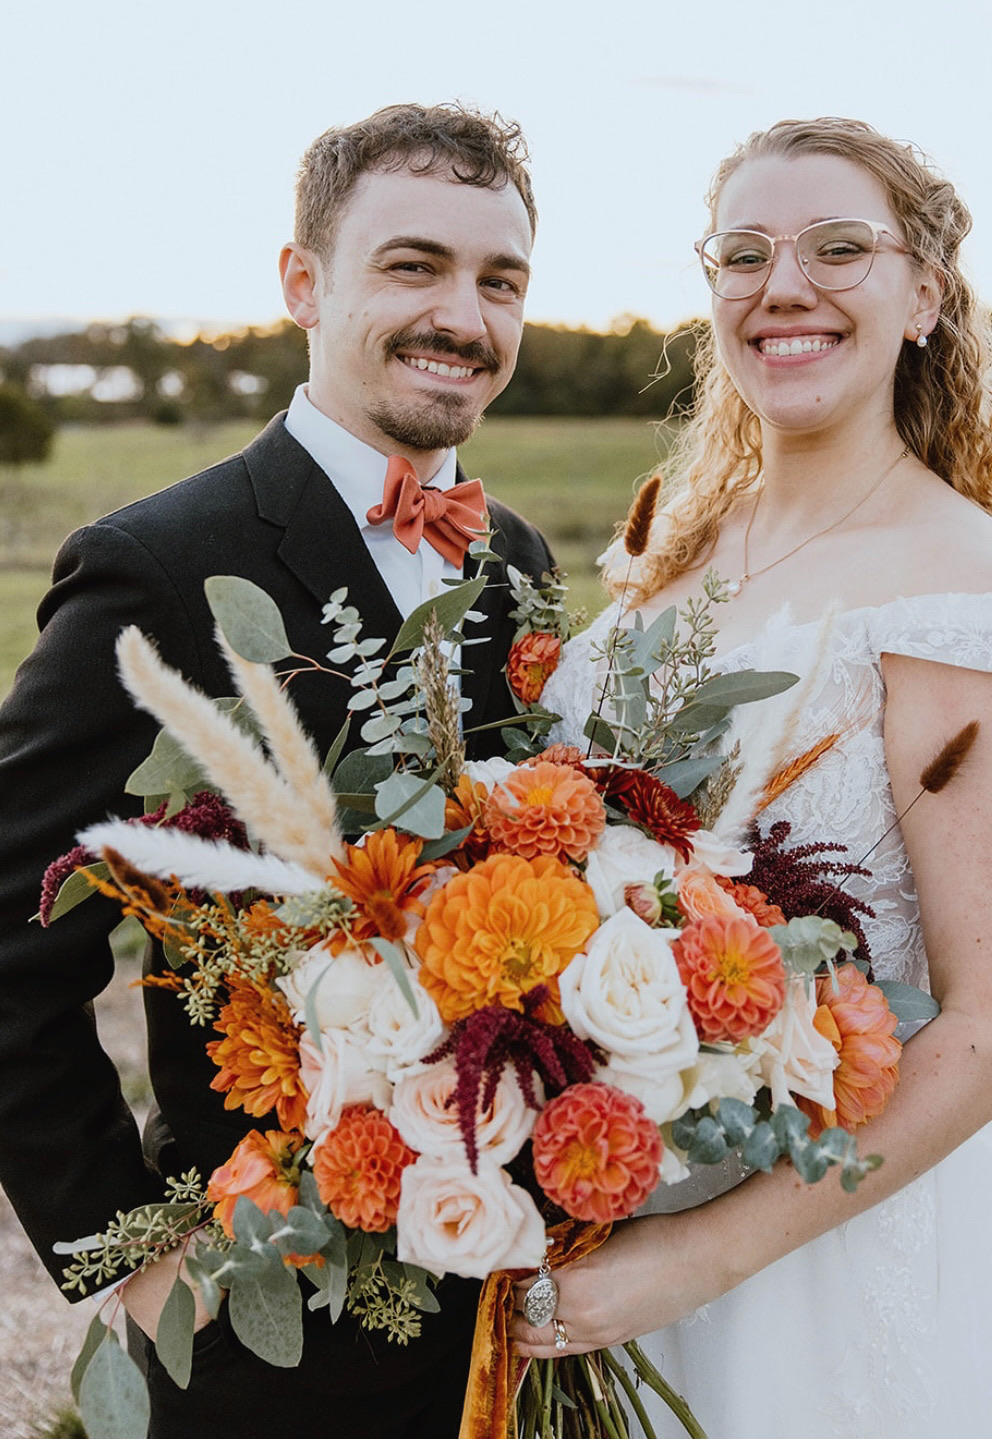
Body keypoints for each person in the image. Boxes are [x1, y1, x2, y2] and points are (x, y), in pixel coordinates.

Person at [521, 118, 992, 1436]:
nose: (783, 286)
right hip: (600, 1208)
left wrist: (696, 1260)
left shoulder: (961, 585)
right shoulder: (680, 550)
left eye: (839, 248)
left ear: (925, 293)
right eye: (743, 253)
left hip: (822, 1266)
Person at [0, 102, 553, 1438]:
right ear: (303, 282)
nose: (463, 318)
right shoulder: (160, 565)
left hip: (516, 1301)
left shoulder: (521, 563)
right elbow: (8, 926)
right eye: (413, 266)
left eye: (500, 280)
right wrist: (128, 1250)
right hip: (275, 1319)